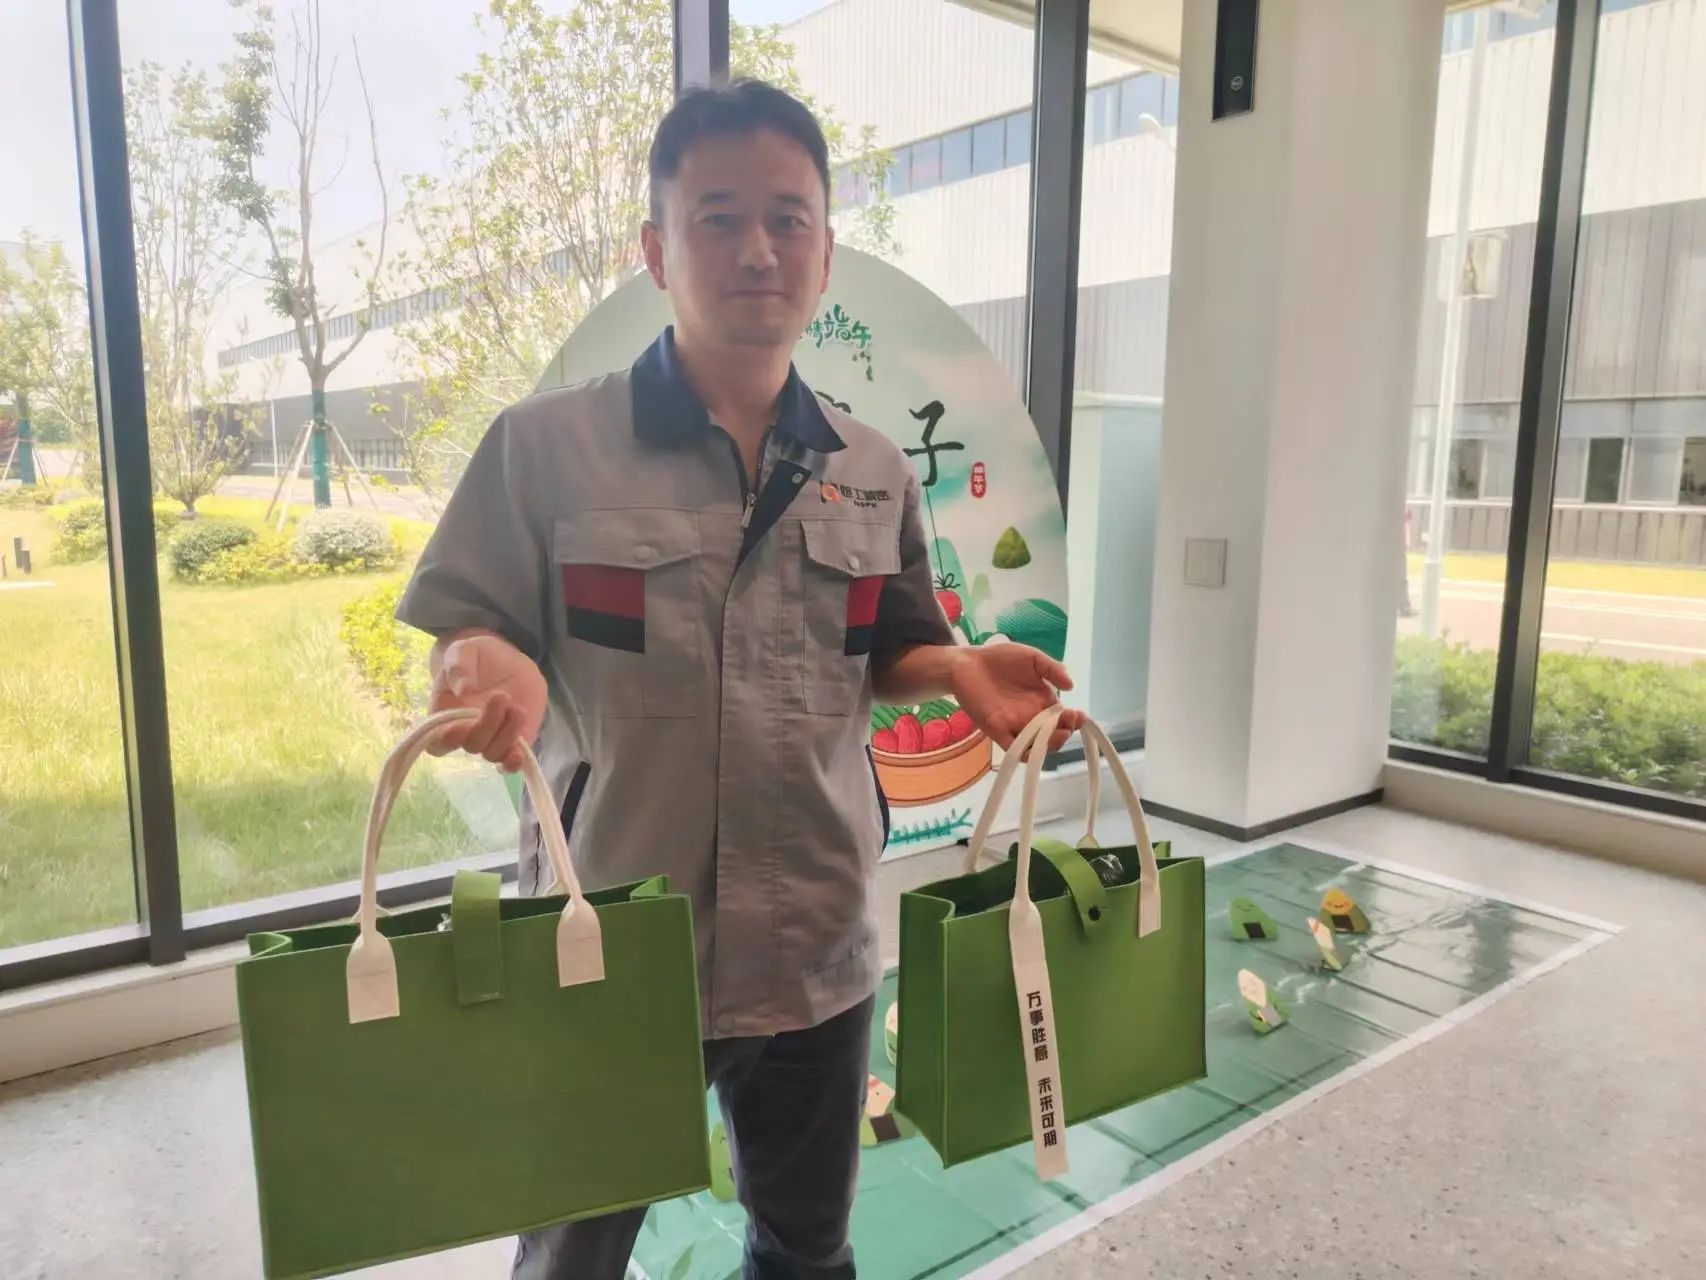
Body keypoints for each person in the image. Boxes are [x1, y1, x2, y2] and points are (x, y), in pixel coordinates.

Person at [398, 79, 1082, 1280]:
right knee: (569, 1256)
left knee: (805, 1252)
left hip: (816, 945)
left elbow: (888, 645)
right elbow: (466, 622)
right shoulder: (544, 448)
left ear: (823, 251)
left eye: (787, 217)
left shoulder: (871, 467)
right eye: (717, 217)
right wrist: (478, 659)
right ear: (656, 249)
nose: (757, 248)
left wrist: (957, 666)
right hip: (610, 946)